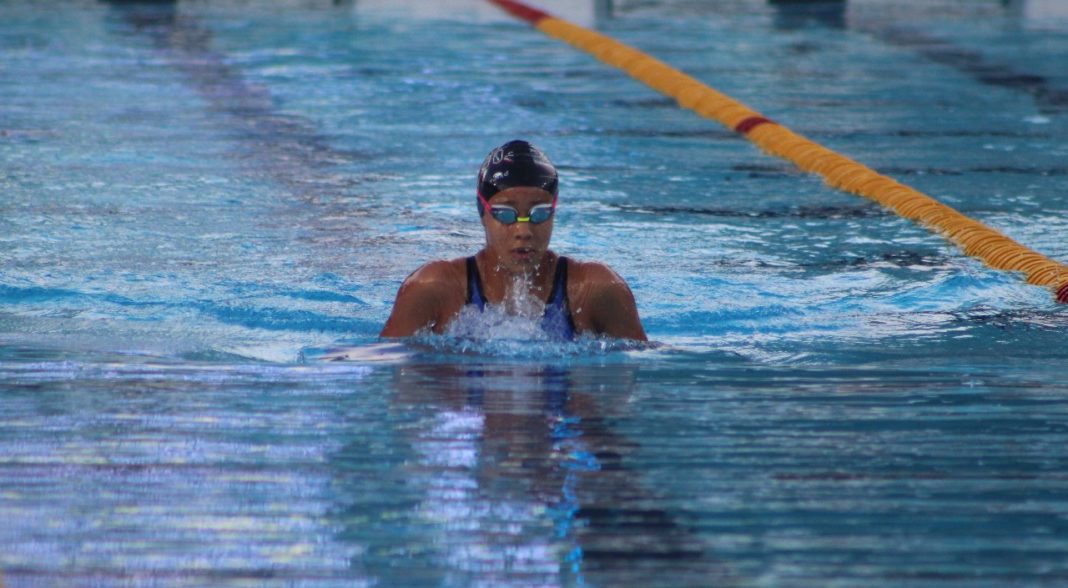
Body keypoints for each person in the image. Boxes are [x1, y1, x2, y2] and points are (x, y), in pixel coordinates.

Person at [380, 140, 647, 341]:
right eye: (506, 214)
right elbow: (388, 378)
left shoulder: (594, 290)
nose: (524, 230)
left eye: (539, 213)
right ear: (483, 213)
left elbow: (640, 379)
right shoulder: (434, 288)